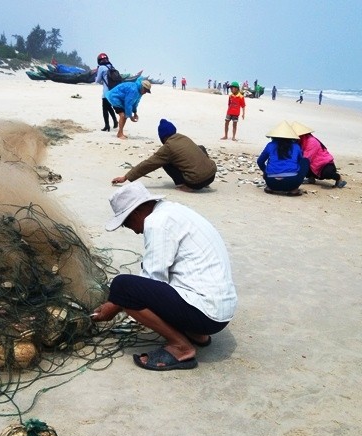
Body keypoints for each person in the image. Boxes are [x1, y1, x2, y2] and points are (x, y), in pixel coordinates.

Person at [92, 181, 237, 371]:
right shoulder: (173, 212)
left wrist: (114, 305)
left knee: (122, 286)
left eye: (127, 224)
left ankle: (181, 347)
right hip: (220, 311)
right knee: (136, 286)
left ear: (136, 212)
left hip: (207, 313)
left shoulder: (157, 223)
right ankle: (196, 334)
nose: (135, 231)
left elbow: (153, 279)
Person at [111, 119, 217, 192]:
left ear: (162, 137)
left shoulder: (168, 147)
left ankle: (184, 186)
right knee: (200, 147)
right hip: (212, 175)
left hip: (196, 183)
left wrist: (126, 177)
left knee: (165, 162)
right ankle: (205, 177)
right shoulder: (183, 137)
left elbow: (149, 164)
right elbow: (200, 149)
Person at [257, 121, 309, 196]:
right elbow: (300, 161)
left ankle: (270, 188)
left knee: (270, 160)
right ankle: (294, 190)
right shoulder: (296, 146)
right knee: (305, 161)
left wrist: (266, 172)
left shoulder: (270, 145)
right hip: (292, 182)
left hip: (271, 182)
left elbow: (260, 161)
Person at [292, 121, 346, 188]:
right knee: (303, 163)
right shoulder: (301, 142)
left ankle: (339, 178)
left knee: (328, 174)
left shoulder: (311, 141)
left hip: (324, 163)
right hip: (313, 163)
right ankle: (311, 178)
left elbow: (306, 157)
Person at [94, 53, 119, 132]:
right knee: (109, 106)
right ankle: (115, 121)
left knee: (105, 108)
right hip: (114, 91)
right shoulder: (112, 67)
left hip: (106, 92)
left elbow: (97, 80)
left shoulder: (101, 68)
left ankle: (107, 125)